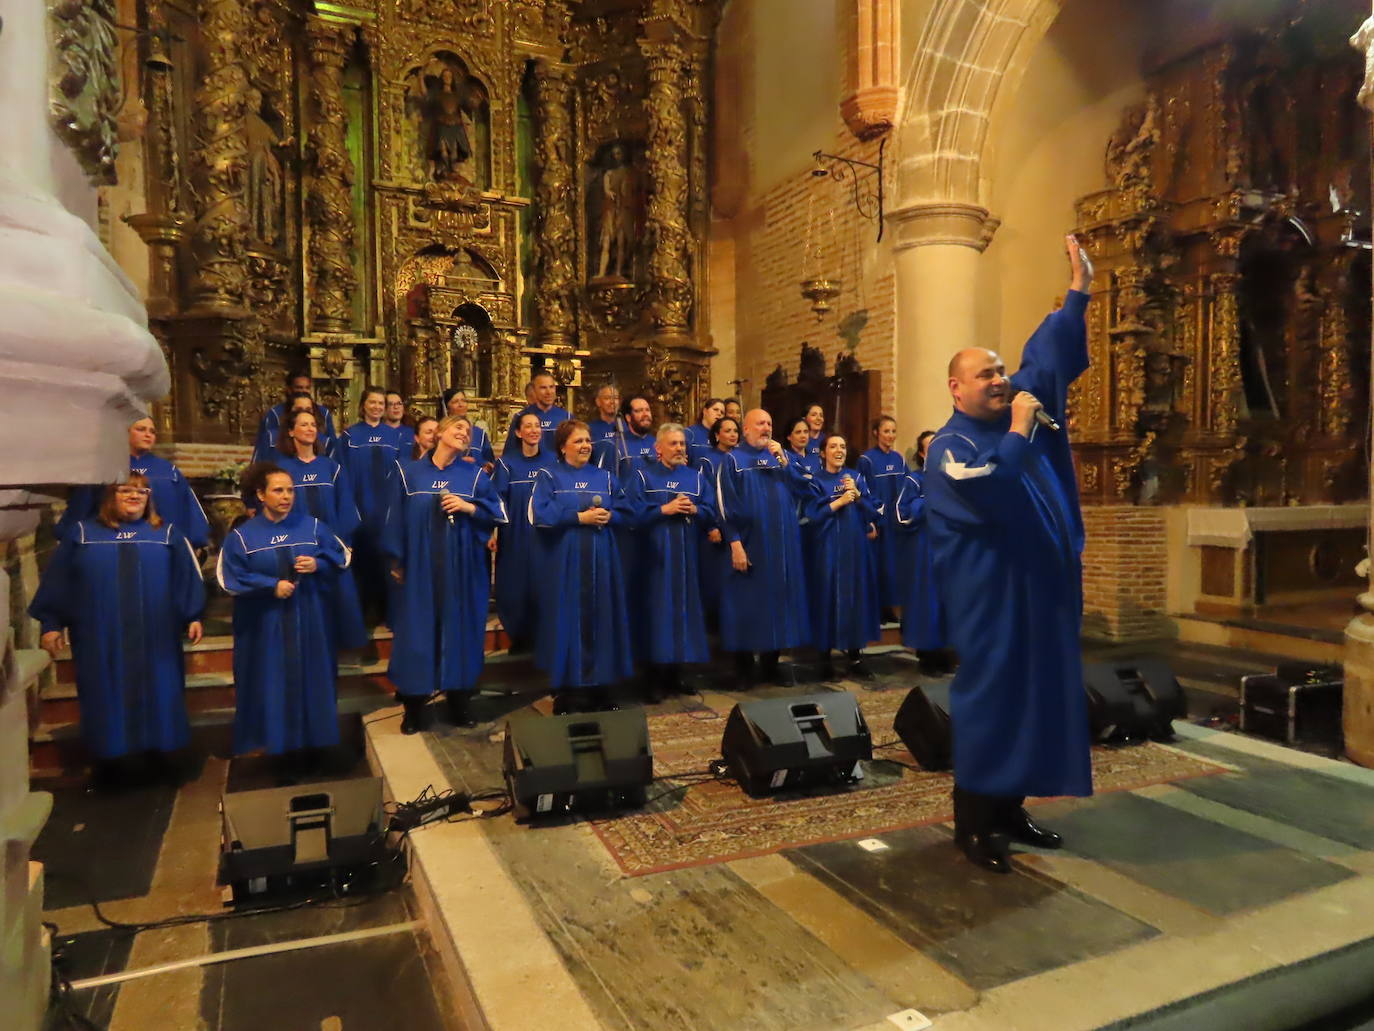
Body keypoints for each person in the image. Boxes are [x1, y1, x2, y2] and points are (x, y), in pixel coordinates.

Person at [924, 234, 1095, 874]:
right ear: (954, 387)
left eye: (1000, 371)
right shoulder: (951, 445)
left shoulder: (1017, 407)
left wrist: (1077, 292)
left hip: (1042, 592)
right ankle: (973, 824)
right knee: (995, 702)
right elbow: (990, 489)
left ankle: (1011, 809)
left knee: (1042, 696)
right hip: (993, 601)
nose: (1000, 381)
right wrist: (1021, 430)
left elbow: (1045, 360)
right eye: (985, 374)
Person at [31, 475, 205, 786]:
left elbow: (185, 577)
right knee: (105, 695)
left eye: (141, 491)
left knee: (160, 694)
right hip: (101, 635)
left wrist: (192, 615)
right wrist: (52, 623)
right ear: (110, 495)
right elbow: (59, 581)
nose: (135, 496)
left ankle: (160, 759)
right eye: (126, 490)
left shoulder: (165, 533)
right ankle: (110, 766)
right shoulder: (83, 533)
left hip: (156, 635)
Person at [218, 463, 351, 772]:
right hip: (267, 626)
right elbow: (229, 577)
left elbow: (342, 555)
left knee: (314, 682)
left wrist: (318, 564)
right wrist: (269, 586)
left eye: (290, 490)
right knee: (274, 685)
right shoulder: (242, 537)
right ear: (261, 495)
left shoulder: (312, 527)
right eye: (278, 490)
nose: (287, 496)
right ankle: (281, 751)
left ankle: (317, 745)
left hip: (310, 621)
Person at [382, 416, 508, 733]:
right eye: (458, 428)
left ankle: (459, 702)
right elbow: (393, 517)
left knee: (461, 632)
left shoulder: (474, 475)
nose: (464, 433)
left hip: (463, 567)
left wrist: (469, 508)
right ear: (438, 433)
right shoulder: (408, 472)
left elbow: (499, 513)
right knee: (416, 636)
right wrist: (397, 560)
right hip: (420, 568)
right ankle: (414, 708)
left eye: (467, 431)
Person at [530, 420, 634, 712]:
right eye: (578, 441)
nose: (586, 445)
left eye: (588, 440)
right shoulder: (549, 476)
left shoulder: (605, 477)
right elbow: (540, 513)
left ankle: (601, 689)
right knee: (568, 621)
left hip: (602, 561)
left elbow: (627, 510)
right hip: (566, 562)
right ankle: (567, 692)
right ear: (562, 446)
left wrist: (609, 516)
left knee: (602, 619)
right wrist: (579, 518)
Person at [715, 409, 812, 687]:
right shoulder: (733, 460)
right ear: (745, 429)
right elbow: (725, 506)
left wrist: (785, 463)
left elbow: (807, 488)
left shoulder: (781, 458)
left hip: (782, 547)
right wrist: (735, 544)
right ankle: (743, 669)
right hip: (750, 544)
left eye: (769, 423)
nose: (766, 428)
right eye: (760, 423)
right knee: (746, 607)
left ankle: (770, 666)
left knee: (778, 606)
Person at [625, 424, 715, 700]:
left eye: (682, 444)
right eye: (673, 444)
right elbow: (629, 513)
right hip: (654, 559)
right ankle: (651, 679)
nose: (679, 449)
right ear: (658, 448)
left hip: (686, 558)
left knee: (682, 615)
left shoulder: (696, 478)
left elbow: (711, 512)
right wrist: (664, 509)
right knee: (656, 616)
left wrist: (696, 509)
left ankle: (677, 674)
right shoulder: (642, 476)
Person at [273, 408, 369, 651]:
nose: (309, 429)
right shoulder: (283, 470)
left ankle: (340, 647)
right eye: (303, 425)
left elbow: (345, 505)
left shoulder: (331, 467)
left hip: (329, 545)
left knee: (337, 599)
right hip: (296, 546)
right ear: (291, 432)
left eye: (313, 425)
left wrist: (344, 542)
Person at [58, 416, 211, 549]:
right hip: (112, 543)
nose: (148, 435)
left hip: (162, 545)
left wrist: (194, 542)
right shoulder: (104, 469)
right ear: (125, 432)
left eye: (152, 431)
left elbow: (189, 509)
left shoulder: (169, 471)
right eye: (141, 429)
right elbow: (82, 507)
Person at [803, 436, 880, 680]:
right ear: (823, 453)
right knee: (827, 599)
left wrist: (857, 496)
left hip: (855, 548)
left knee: (856, 599)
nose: (839, 450)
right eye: (834, 446)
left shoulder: (856, 478)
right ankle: (824, 658)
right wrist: (838, 502)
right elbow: (811, 516)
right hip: (827, 549)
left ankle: (855, 656)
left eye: (843, 447)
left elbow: (873, 510)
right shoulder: (815, 480)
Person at [491, 412, 556, 653]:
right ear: (518, 432)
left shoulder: (553, 462)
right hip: (515, 535)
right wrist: (493, 532)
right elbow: (496, 500)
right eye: (528, 426)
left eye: (537, 426)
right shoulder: (506, 464)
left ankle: (543, 636)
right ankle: (518, 636)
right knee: (514, 586)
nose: (533, 430)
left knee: (543, 584)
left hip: (545, 536)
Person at [338, 387, 402, 625]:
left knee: (387, 560)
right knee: (361, 563)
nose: (377, 407)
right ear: (363, 405)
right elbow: (341, 473)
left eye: (381, 403)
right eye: (372, 402)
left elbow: (401, 472)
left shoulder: (394, 436)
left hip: (386, 510)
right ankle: (363, 614)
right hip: (360, 508)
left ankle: (387, 613)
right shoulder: (350, 436)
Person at [896, 431, 951, 674]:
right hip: (923, 550)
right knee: (927, 602)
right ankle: (926, 654)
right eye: (931, 447)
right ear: (922, 453)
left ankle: (944, 651)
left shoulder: (951, 479)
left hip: (948, 549)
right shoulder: (914, 480)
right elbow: (901, 513)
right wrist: (926, 502)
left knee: (946, 602)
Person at [858, 415, 909, 623]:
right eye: (886, 431)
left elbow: (907, 488)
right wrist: (871, 519)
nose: (890, 435)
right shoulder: (867, 460)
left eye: (893, 431)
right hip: (879, 522)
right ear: (876, 433)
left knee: (893, 566)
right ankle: (875, 609)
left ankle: (890, 606)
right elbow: (864, 491)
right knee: (877, 564)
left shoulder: (899, 459)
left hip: (896, 523)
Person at [695, 414, 739, 629]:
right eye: (728, 430)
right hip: (716, 528)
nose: (733, 434)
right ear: (717, 434)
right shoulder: (707, 460)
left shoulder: (739, 459)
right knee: (715, 579)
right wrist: (712, 525)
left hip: (736, 526)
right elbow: (705, 495)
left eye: (735, 431)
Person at [255, 369, 337, 461]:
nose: (304, 391)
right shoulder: (274, 415)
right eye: (299, 387)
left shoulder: (323, 413)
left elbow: (333, 448)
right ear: (289, 389)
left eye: (307, 388)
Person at [592, 393, 656, 480]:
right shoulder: (614, 445)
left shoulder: (657, 443)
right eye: (639, 411)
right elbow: (605, 480)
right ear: (628, 417)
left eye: (647, 410)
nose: (645, 414)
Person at [502, 372, 569, 455]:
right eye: (543, 388)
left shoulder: (567, 417)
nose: (548, 392)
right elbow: (510, 453)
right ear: (534, 390)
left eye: (551, 387)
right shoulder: (521, 417)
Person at [441, 389, 495, 466]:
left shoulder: (479, 433)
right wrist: (458, 462)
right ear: (447, 407)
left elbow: (489, 460)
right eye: (455, 402)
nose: (461, 404)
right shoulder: (442, 431)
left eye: (463, 401)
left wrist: (486, 465)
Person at [684, 398, 724, 466]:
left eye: (722, 412)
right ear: (705, 411)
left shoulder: (723, 437)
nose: (719, 414)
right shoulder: (689, 433)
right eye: (715, 410)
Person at [385, 390, 416, 455]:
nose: (396, 407)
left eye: (399, 403)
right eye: (390, 404)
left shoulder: (413, 433)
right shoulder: (377, 433)